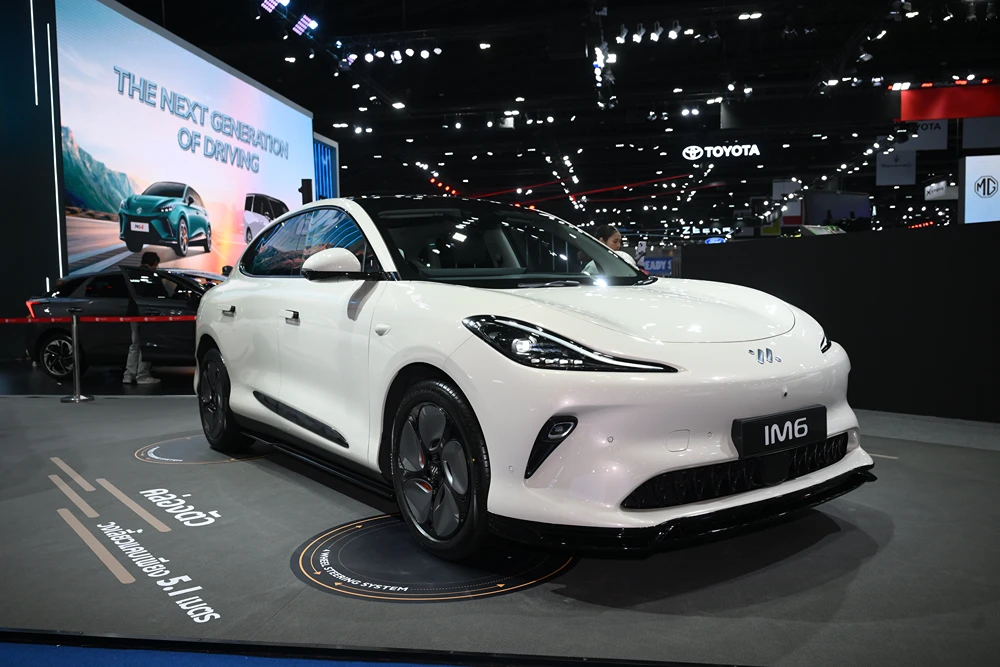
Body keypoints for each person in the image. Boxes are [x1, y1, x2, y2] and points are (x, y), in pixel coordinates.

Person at [123, 252, 161, 385]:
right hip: (147, 314)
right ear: (154, 263)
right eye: (156, 265)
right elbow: (161, 294)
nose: (156, 268)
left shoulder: (131, 274)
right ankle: (142, 375)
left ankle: (128, 375)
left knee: (134, 345)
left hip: (133, 313)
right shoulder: (152, 276)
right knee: (146, 345)